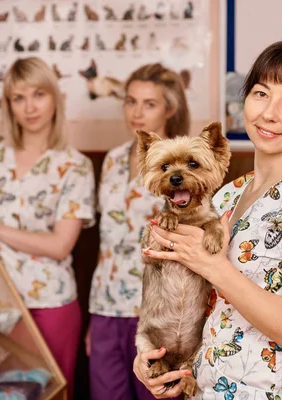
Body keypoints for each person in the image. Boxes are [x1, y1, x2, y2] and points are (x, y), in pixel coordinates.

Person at [133, 37, 282, 399]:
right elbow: (193, 303)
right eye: (261, 93)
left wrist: (215, 267)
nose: (270, 113)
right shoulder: (228, 194)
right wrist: (153, 356)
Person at [0, 57, 95, 400]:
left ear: (55, 98)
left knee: (52, 393)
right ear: (8, 104)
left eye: (38, 94)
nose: (29, 107)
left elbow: (60, 246)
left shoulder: (75, 165)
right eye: (18, 97)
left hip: (50, 304)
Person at [86, 63, 190, 400]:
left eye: (149, 104)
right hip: (106, 307)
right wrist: (95, 321)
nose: (137, 113)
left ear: (170, 109)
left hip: (157, 314)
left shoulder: (181, 165)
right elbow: (107, 242)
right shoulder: (113, 160)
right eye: (130, 102)